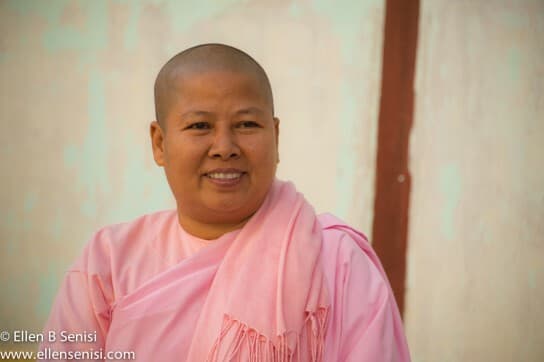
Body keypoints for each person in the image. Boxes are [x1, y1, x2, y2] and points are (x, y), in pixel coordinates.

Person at [40, 44, 411, 361]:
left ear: (276, 136)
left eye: (247, 125)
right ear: (159, 143)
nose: (225, 148)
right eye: (199, 126)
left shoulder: (336, 260)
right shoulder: (109, 261)